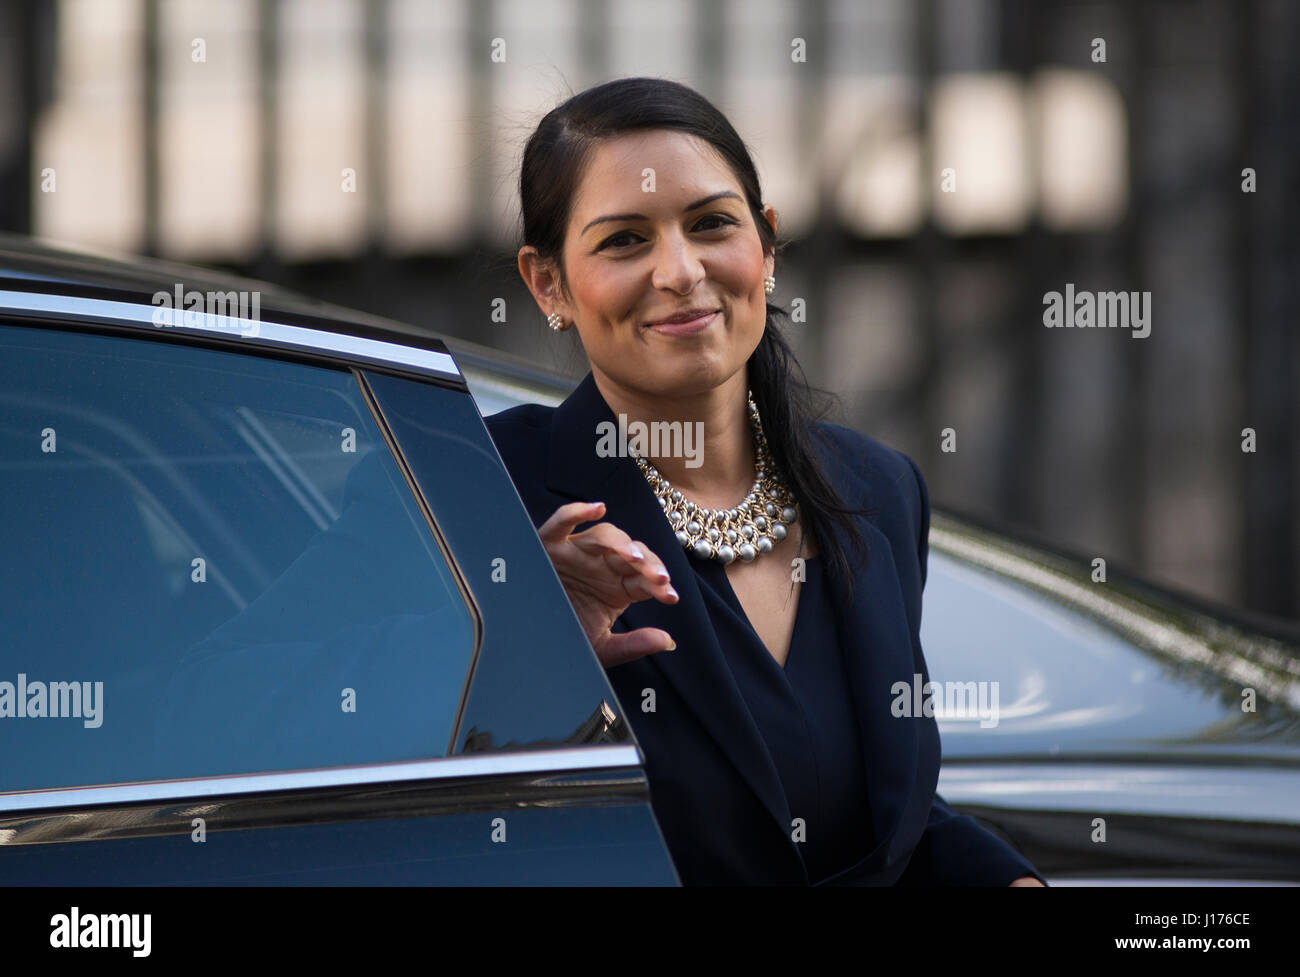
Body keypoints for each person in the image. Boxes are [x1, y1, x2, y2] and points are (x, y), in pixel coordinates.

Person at [486, 76, 1046, 886]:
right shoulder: (483, 495)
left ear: (767, 244)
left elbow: (893, 821)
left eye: (712, 224)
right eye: (623, 241)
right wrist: (526, 649)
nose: (680, 271)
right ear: (548, 284)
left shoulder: (877, 488)